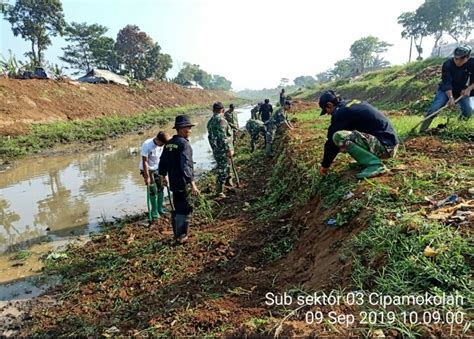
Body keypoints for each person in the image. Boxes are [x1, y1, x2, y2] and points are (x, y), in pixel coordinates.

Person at [318, 90, 399, 179]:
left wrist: (324, 167)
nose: (328, 114)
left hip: (386, 147)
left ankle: (375, 165)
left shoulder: (340, 112)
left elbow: (331, 144)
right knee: (345, 139)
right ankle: (366, 160)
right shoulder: (350, 105)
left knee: (339, 137)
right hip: (389, 143)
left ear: (329, 104)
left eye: (326, 110)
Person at [158, 115, 200, 244]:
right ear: (181, 129)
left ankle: (177, 234)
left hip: (173, 182)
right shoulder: (184, 144)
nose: (190, 130)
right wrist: (192, 183)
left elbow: (163, 162)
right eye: (188, 128)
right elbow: (186, 165)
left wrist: (163, 176)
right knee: (185, 208)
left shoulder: (169, 143)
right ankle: (182, 236)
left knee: (177, 206)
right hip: (182, 182)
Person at [420, 45, 473, 132]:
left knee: (468, 111)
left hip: (462, 91)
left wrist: (468, 89)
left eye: (460, 59)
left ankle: (457, 128)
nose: (457, 61)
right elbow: (446, 82)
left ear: (467, 58)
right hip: (446, 90)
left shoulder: (472, 63)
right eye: (455, 58)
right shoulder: (447, 64)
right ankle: (422, 130)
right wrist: (451, 98)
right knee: (434, 109)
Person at [139, 131, 170, 224]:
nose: (162, 145)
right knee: (153, 190)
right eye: (162, 143)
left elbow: (163, 159)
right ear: (157, 140)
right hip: (148, 169)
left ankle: (160, 208)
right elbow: (145, 161)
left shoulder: (162, 146)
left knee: (161, 188)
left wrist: (165, 175)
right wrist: (147, 176)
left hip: (158, 168)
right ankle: (154, 212)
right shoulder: (147, 145)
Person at [207, 102, 234, 197]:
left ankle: (228, 183)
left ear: (213, 110)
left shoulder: (210, 121)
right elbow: (223, 137)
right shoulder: (221, 121)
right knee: (223, 169)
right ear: (222, 110)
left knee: (226, 166)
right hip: (222, 150)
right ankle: (219, 191)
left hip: (216, 149)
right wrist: (228, 149)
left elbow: (210, 137)